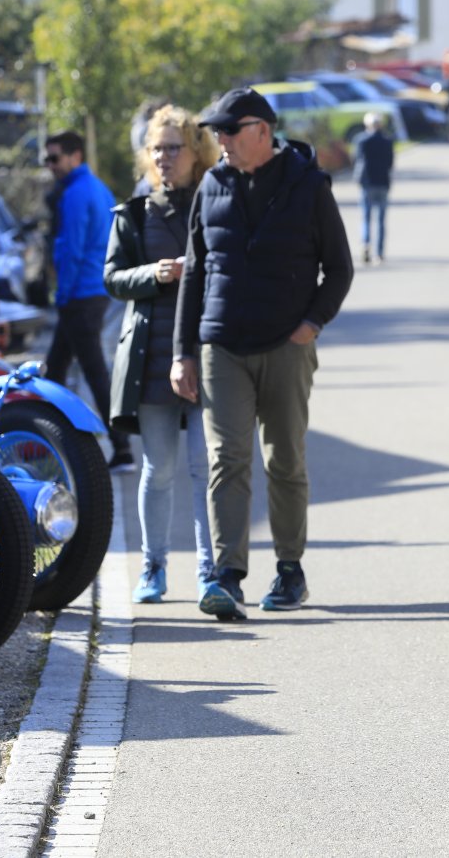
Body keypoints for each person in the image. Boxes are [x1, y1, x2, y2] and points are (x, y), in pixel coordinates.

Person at [172, 88, 354, 618]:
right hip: (221, 345)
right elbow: (194, 272)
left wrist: (311, 323)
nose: (221, 140)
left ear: (262, 131)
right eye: (217, 132)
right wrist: (183, 352)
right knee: (227, 460)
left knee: (284, 459)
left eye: (229, 130)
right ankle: (227, 576)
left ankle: (290, 570)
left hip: (285, 344)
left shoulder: (308, 184)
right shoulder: (212, 184)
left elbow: (339, 268)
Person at [107, 106, 220, 603]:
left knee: (204, 469)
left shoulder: (215, 204)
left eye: (173, 148)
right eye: (156, 149)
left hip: (207, 352)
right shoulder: (134, 213)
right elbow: (112, 278)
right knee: (159, 470)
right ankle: (153, 569)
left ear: (196, 152)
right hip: (152, 358)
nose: (163, 157)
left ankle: (210, 573)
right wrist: (153, 274)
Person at [42, 131, 130, 470]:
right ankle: (45, 444)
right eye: (47, 159)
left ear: (74, 156)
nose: (50, 165)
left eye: (55, 158)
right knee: (56, 371)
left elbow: (71, 250)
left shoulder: (76, 193)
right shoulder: (96, 187)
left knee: (92, 372)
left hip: (79, 294)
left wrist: (61, 294)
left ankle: (120, 447)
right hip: (93, 291)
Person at [352, 111, 394, 264]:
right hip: (382, 182)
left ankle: (366, 243)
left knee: (366, 217)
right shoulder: (387, 141)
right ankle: (379, 253)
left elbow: (356, 159)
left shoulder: (361, 140)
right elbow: (390, 163)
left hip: (366, 182)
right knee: (381, 220)